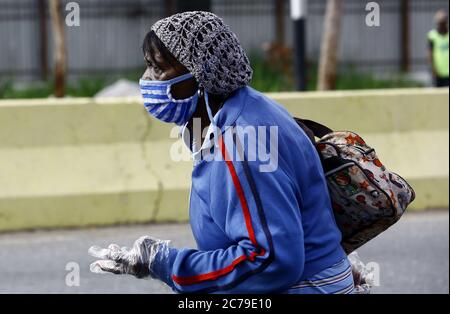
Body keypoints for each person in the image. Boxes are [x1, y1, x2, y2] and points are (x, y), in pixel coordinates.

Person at [88, 11, 355, 294]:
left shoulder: (240, 144)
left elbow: (271, 259)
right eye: (148, 67)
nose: (146, 80)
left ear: (201, 74)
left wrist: (165, 263)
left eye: (158, 69)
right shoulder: (246, 107)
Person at [428, 10, 449, 87]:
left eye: (442, 23)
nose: (440, 25)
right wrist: (433, 68)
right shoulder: (432, 35)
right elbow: (430, 53)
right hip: (438, 72)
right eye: (438, 23)